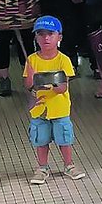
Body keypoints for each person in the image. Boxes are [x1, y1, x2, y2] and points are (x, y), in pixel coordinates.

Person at [24, 15, 86, 184]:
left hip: (60, 110)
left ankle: (69, 165)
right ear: (36, 37)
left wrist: (47, 84)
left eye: (50, 34)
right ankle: (42, 167)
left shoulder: (63, 60)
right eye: (41, 34)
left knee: (64, 139)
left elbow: (63, 87)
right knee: (41, 140)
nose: (46, 38)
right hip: (39, 110)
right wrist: (31, 78)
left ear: (59, 37)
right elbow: (28, 85)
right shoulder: (31, 60)